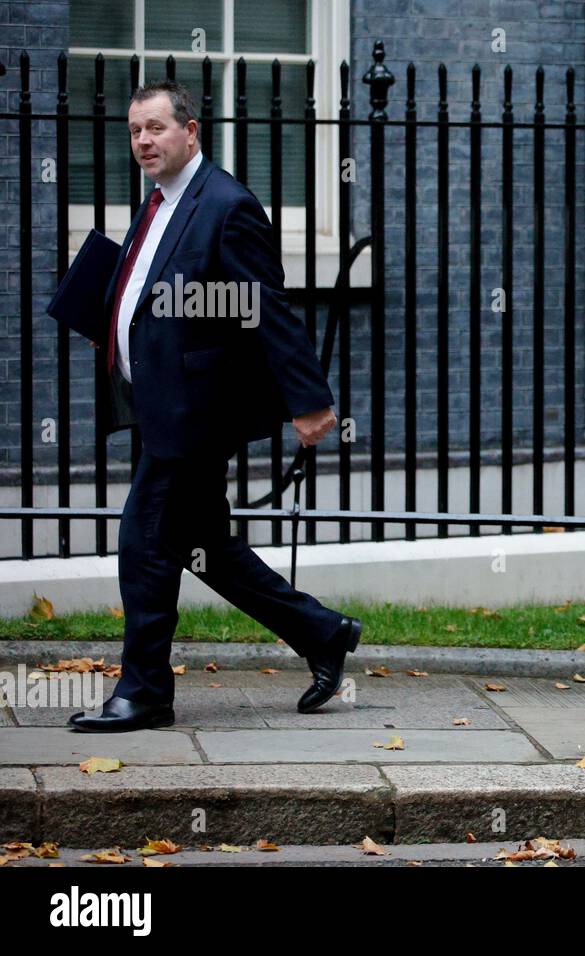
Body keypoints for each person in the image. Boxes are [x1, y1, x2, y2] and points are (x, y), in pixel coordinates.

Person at [68, 80, 361, 732]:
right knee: (205, 545)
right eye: (136, 130)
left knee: (144, 539)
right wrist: (113, 316)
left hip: (196, 412)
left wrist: (309, 402)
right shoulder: (159, 203)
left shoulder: (226, 206)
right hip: (159, 402)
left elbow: (267, 309)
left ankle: (144, 691)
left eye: (157, 128)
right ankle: (325, 634)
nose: (144, 140)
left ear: (190, 131)